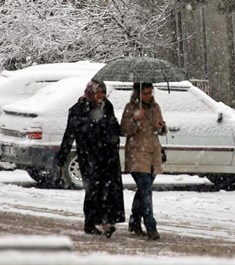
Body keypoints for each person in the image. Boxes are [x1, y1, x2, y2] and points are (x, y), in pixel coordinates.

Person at [55, 79, 125, 238]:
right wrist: (62, 156)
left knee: (109, 189)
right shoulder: (78, 109)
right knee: (94, 190)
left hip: (108, 155)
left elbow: (113, 126)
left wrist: (117, 131)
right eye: (98, 92)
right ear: (90, 93)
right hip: (89, 156)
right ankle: (91, 222)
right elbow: (70, 133)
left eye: (103, 92)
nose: (101, 95)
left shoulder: (107, 106)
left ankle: (107, 222)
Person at [120, 82, 167, 241]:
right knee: (146, 190)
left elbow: (161, 128)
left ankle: (134, 221)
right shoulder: (130, 107)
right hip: (137, 154)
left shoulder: (155, 106)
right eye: (145, 93)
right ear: (138, 93)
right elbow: (124, 129)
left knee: (143, 191)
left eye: (150, 92)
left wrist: (161, 127)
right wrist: (135, 119)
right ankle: (151, 226)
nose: (149, 95)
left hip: (153, 153)